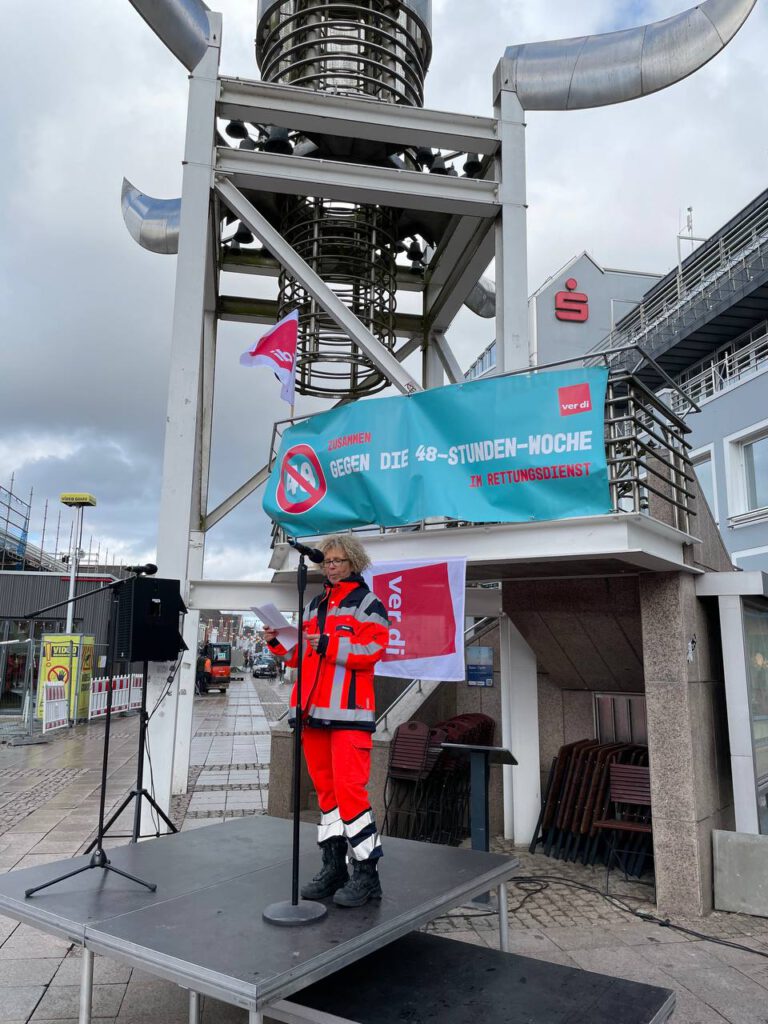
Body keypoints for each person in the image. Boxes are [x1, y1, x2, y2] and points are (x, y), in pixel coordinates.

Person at [264, 534, 389, 908]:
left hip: (348, 715)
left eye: (337, 560)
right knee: (329, 799)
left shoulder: (369, 603)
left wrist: (330, 645)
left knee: (351, 794)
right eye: (328, 561)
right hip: (312, 713)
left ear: (354, 562)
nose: (330, 566)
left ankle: (367, 875)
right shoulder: (315, 604)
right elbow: (299, 657)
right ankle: (334, 867)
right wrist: (276, 641)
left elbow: (374, 650)